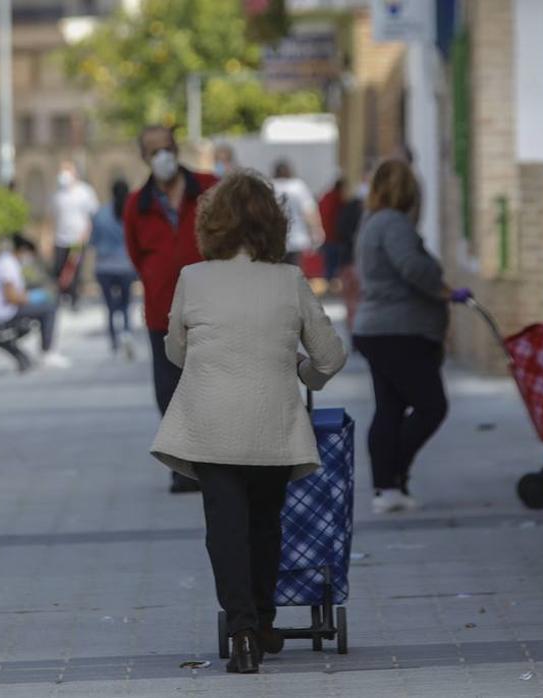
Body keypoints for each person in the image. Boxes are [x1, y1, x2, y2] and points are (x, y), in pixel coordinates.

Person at [151, 170, 347, 673]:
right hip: (271, 426)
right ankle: (262, 619)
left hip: (210, 426)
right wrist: (303, 371)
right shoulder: (288, 280)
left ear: (213, 224)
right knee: (264, 525)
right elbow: (329, 356)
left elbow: (176, 350)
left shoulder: (193, 278)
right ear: (272, 225)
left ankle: (240, 629)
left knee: (225, 528)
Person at [352, 159, 472, 514]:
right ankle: (391, 475)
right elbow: (413, 267)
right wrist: (444, 291)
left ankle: (389, 487)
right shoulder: (393, 224)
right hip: (398, 331)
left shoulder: (373, 222)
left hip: (380, 329)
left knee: (389, 408)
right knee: (431, 405)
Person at [124, 125, 218, 494]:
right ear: (144, 158)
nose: (162, 156)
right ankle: (184, 466)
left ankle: (215, 460)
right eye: (153, 151)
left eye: (167, 148)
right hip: (162, 309)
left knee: (212, 385)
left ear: (176, 150)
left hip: (211, 306)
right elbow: (135, 253)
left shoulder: (208, 188)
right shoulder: (138, 204)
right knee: (169, 390)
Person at [0, 234, 69, 368]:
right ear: (23, 250)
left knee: (46, 305)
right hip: (3, 312)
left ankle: (46, 350)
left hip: (4, 310)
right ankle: (47, 352)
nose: (29, 259)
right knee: (49, 308)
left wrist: (32, 296)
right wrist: (33, 298)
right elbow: (11, 297)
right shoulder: (7, 265)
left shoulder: (8, 262)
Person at [90, 179, 137, 358]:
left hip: (104, 267)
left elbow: (93, 241)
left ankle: (113, 341)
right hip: (125, 266)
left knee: (109, 306)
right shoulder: (132, 213)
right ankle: (126, 333)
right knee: (126, 304)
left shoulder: (100, 214)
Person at [50, 161, 98, 309]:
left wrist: (85, 234)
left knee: (75, 269)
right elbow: (51, 217)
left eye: (67, 170)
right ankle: (62, 296)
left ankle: (75, 300)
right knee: (59, 268)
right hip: (60, 239)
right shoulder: (57, 195)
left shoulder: (85, 192)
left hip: (78, 239)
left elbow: (92, 215)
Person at [271, 160, 324, 267]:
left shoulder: (270, 186)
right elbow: (309, 212)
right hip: (297, 240)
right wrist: (316, 232)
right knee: (295, 276)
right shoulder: (298, 186)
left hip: (274, 241)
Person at [335, 182, 365, 334]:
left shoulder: (350, 207)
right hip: (360, 263)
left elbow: (340, 230)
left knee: (351, 302)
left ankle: (354, 333)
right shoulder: (376, 211)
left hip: (348, 261)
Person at [317, 178, 345, 281]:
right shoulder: (338, 199)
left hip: (327, 236)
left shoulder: (326, 197)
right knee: (335, 264)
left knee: (329, 264)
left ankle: (329, 284)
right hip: (335, 237)